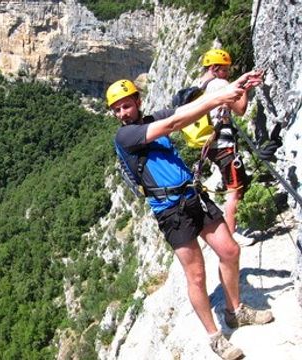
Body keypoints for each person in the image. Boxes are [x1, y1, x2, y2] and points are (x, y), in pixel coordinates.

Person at [106, 73, 273, 360]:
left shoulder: (149, 120)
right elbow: (174, 124)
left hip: (192, 195)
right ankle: (215, 337)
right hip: (170, 211)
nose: (123, 112)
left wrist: (232, 89)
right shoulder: (125, 136)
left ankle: (235, 311)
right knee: (196, 275)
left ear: (138, 101)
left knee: (230, 250)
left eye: (127, 105)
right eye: (118, 109)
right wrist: (221, 96)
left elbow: (184, 111)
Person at [198, 49, 259, 246]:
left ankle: (229, 229)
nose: (227, 73)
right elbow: (240, 110)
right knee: (235, 188)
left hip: (210, 144)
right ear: (215, 68)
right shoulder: (220, 84)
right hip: (223, 143)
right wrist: (245, 89)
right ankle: (231, 235)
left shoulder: (201, 85)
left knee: (231, 184)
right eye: (225, 70)